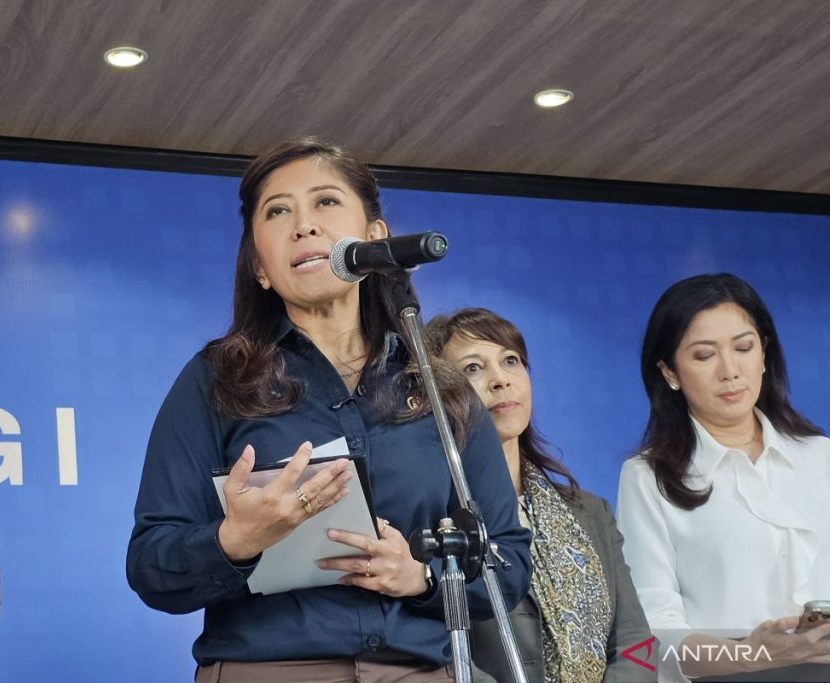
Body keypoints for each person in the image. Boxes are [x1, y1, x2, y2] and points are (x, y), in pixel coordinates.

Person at [126, 139, 531, 682]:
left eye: (326, 201)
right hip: (270, 669)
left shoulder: (443, 391)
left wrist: (422, 578)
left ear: (375, 238)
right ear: (259, 266)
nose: (303, 226)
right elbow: (151, 565)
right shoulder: (215, 380)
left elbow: (509, 562)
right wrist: (237, 540)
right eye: (278, 212)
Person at [617, 273, 830, 682]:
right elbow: (650, 634)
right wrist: (751, 654)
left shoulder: (821, 456)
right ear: (669, 372)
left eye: (744, 348)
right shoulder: (648, 477)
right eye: (704, 356)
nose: (730, 371)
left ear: (764, 353)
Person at [427, 307, 654, 683]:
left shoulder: (591, 513)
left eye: (510, 361)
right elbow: (437, 654)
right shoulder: (436, 522)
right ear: (440, 396)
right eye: (473, 368)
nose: (500, 380)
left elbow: (637, 643)